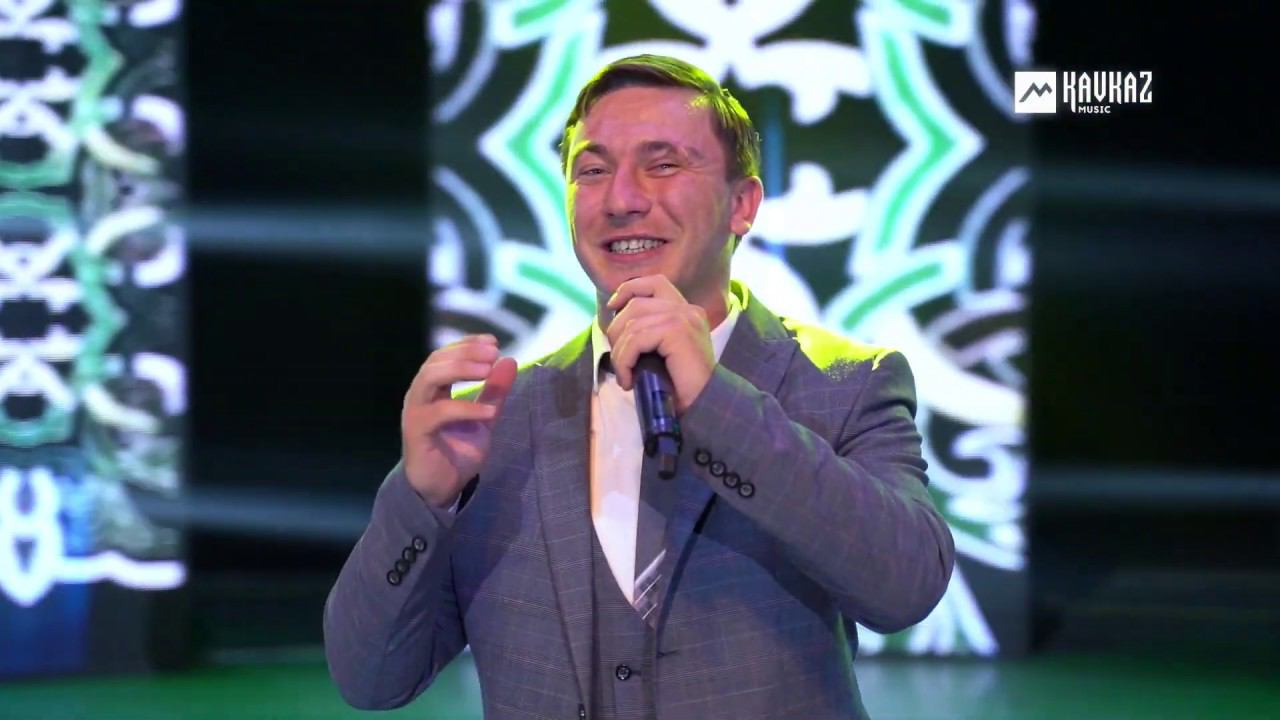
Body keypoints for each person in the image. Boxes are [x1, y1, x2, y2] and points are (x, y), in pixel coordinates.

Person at [324, 54, 955, 720]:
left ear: (743, 205)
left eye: (664, 164)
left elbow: (905, 588)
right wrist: (419, 499)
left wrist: (715, 403)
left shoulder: (846, 383)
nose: (622, 199)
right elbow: (371, 680)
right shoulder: (498, 422)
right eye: (592, 171)